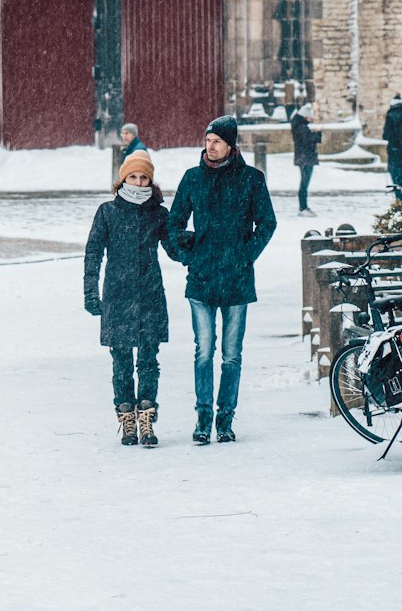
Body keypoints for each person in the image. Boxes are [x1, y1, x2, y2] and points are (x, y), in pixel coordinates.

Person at [168, 114, 277, 445]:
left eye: (216, 141)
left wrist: (245, 255)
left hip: (237, 280)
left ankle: (225, 418)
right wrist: (188, 253)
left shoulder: (251, 179)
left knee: (231, 354)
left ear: (231, 145)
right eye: (207, 140)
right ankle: (202, 417)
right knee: (204, 350)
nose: (209, 146)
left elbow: (267, 222)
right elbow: (173, 224)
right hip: (201, 278)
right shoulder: (192, 178)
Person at [84, 151, 183, 448]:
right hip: (117, 295)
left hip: (150, 294)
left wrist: (196, 238)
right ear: (122, 179)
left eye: (144, 177)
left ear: (150, 182)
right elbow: (93, 254)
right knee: (122, 362)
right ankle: (127, 418)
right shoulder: (107, 212)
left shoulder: (158, 214)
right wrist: (90, 292)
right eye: (133, 176)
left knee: (149, 361)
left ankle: (147, 418)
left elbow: (175, 250)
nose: (138, 182)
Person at [290, 102, 321, 215]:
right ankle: (303, 207)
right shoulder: (301, 127)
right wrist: (317, 134)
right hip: (305, 158)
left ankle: (303, 207)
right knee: (304, 183)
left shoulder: (299, 125)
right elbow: (308, 141)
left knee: (304, 183)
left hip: (304, 157)